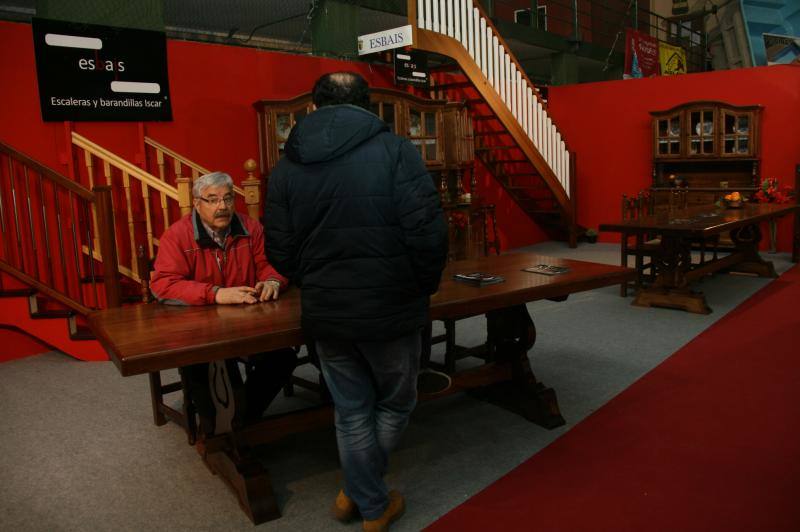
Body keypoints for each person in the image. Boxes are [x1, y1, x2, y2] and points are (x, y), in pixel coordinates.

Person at [264, 72, 448, 531]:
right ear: (367, 105)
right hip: (392, 304)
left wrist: (317, 280)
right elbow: (427, 234)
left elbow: (280, 251)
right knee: (397, 402)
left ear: (315, 106)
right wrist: (421, 287)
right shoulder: (397, 151)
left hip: (327, 308)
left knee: (350, 409)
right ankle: (371, 502)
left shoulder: (288, 164)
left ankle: (358, 490)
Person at [150, 171, 297, 437]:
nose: (223, 206)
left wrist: (273, 281)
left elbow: (271, 264)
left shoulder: (251, 228)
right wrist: (216, 293)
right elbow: (163, 285)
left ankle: (238, 424)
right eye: (213, 199)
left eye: (228, 199)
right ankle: (219, 431)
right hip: (199, 329)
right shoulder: (177, 235)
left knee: (283, 356)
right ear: (197, 203)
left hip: (248, 322)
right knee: (205, 362)